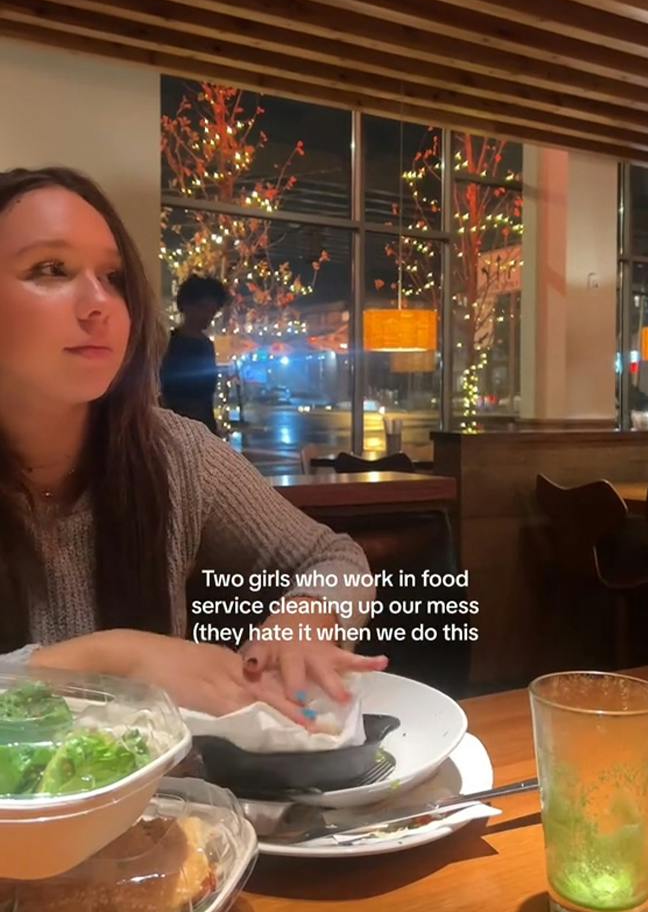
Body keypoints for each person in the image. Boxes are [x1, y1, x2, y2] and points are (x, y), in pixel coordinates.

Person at [0, 167, 384, 726]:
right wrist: (117, 660)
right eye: (51, 269)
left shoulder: (174, 454)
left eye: (113, 277)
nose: (98, 304)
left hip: (170, 809)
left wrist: (304, 618)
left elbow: (337, 560)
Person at [160, 274, 228, 434]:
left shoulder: (206, 346)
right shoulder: (168, 344)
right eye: (203, 308)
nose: (208, 316)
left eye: (212, 311)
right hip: (174, 424)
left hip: (202, 423)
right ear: (186, 306)